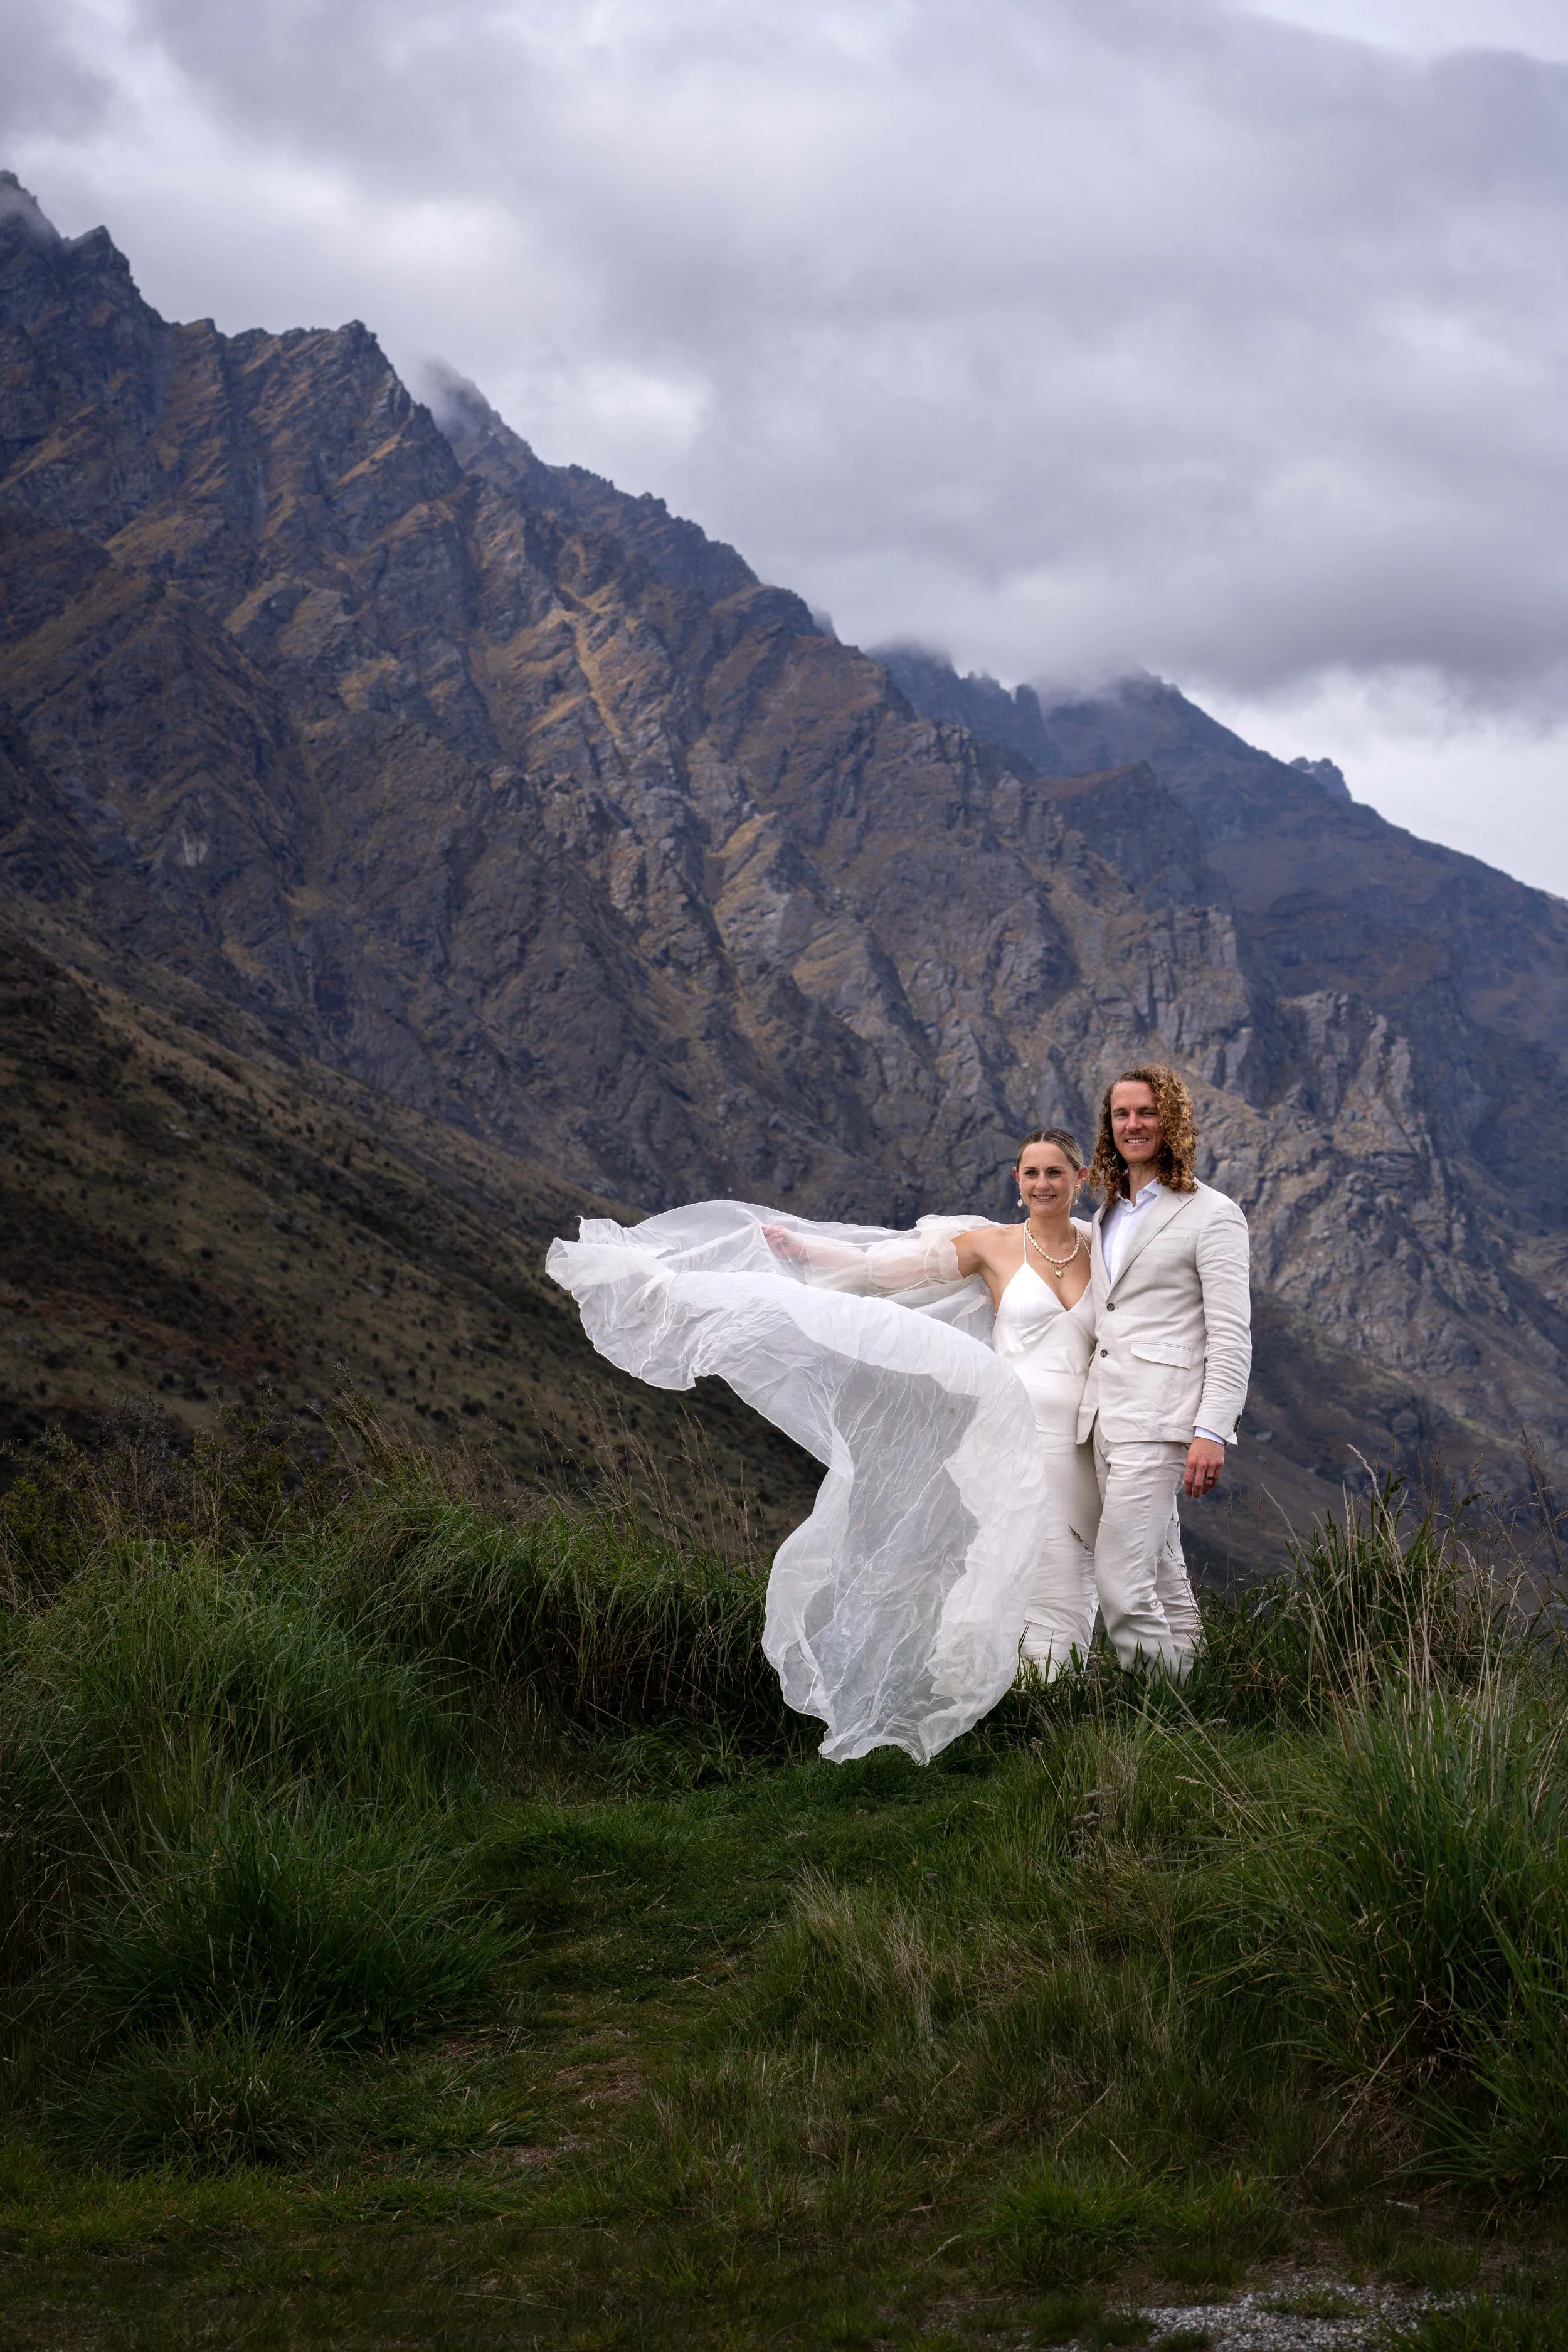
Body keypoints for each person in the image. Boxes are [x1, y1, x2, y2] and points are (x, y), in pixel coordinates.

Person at [1079, 1066, 1252, 1676]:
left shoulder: (1213, 1215)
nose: (1133, 1124)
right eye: (1121, 1114)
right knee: (1163, 1575)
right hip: (1103, 1418)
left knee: (1120, 1581)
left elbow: (1230, 1334)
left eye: (1146, 1112)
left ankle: (1153, 1713)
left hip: (1161, 1421)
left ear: (1170, 1121)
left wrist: (1212, 1430)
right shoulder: (1107, 1216)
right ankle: (1197, 1699)